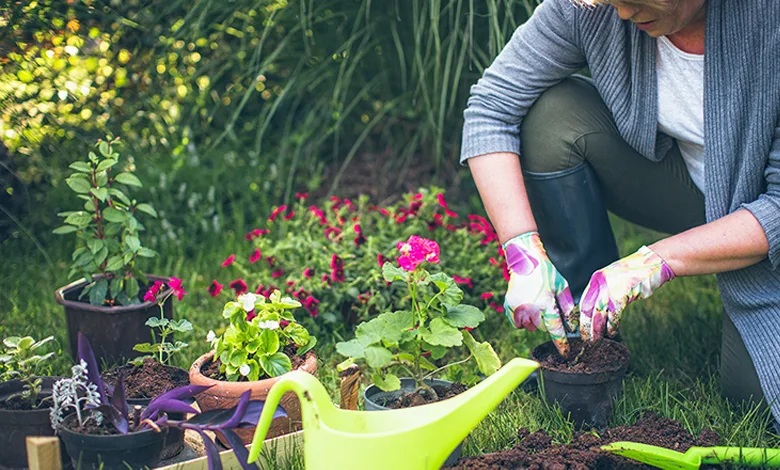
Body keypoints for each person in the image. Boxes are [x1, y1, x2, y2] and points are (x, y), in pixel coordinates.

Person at [460, 0, 780, 425]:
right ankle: (587, 339)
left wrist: (656, 261)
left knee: (755, 396)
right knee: (551, 117)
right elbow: (491, 107)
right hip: (686, 188)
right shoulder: (591, 8)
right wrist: (523, 251)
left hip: (762, 209)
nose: (624, 14)